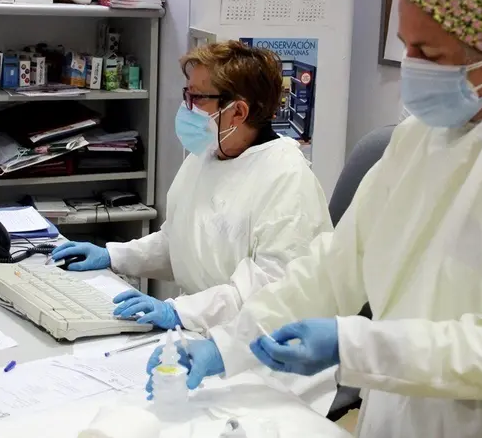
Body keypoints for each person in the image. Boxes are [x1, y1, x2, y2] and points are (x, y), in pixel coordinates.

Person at [147, 0, 482, 437]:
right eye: (406, 45)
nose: (410, 66)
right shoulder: (423, 134)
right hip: (400, 410)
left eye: (428, 52)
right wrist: (230, 343)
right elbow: (338, 261)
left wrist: (351, 345)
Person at [52, 40, 338, 409]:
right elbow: (180, 241)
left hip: (267, 364)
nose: (186, 109)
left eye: (198, 99)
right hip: (200, 338)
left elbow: (268, 295)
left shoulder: (286, 179)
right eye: (186, 95)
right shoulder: (208, 155)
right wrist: (112, 255)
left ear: (237, 111)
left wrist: (179, 310)